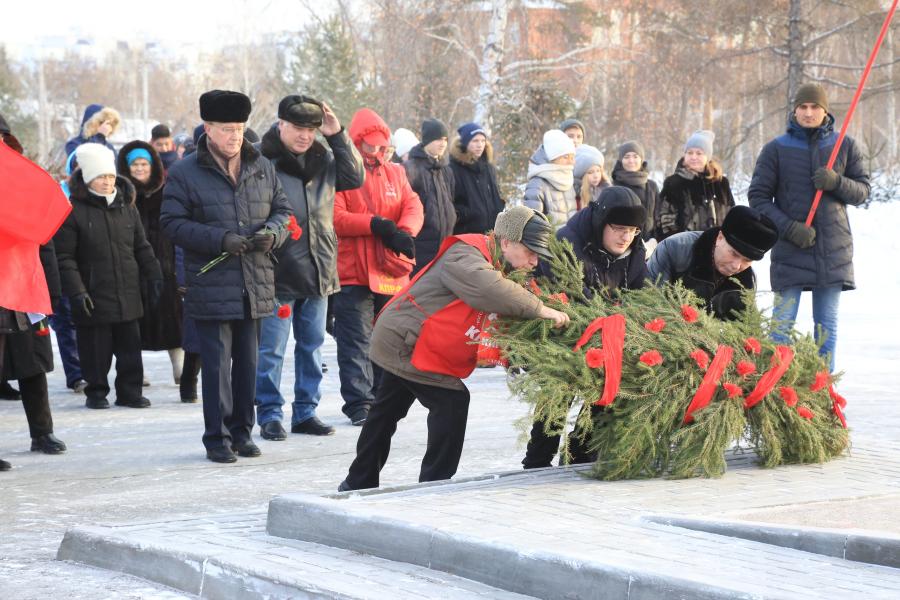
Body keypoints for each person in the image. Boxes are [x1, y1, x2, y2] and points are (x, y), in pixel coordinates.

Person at [339, 205, 570, 491]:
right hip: (406, 340)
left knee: (386, 411)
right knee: (450, 402)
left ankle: (358, 481)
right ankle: (435, 485)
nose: (535, 261)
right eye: (531, 251)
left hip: (407, 336)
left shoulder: (496, 261)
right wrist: (540, 309)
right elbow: (489, 290)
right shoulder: (466, 254)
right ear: (507, 241)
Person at [160, 90, 292, 463]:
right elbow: (171, 223)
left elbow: (282, 209)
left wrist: (274, 233)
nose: (235, 136)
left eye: (240, 128)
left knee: (248, 363)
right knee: (216, 365)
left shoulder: (261, 165)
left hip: (255, 279)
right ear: (208, 129)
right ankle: (216, 438)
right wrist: (220, 239)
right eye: (227, 129)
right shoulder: (186, 171)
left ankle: (242, 432)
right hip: (212, 280)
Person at [254, 94, 364, 441]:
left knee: (312, 345)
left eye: (311, 129)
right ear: (281, 124)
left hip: (319, 268)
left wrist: (336, 134)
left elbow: (355, 176)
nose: (305, 135)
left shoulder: (325, 158)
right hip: (278, 270)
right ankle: (270, 413)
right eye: (299, 127)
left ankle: (306, 411)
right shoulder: (261, 160)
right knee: (271, 350)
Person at [748, 83, 870, 372]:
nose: (808, 112)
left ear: (825, 110)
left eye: (815, 107)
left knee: (826, 329)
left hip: (833, 250)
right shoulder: (776, 149)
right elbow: (759, 197)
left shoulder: (844, 145)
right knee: (780, 329)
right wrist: (789, 228)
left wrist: (836, 182)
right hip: (790, 249)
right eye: (803, 107)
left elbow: (863, 191)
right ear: (794, 110)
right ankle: (772, 393)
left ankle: (823, 395)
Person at [523, 187, 647, 469]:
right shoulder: (568, 242)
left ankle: (581, 452)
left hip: (609, 336)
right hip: (563, 333)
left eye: (632, 230)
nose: (625, 236)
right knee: (559, 388)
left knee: (614, 380)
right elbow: (571, 293)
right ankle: (537, 461)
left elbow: (643, 294)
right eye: (618, 228)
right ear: (601, 222)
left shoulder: (635, 253)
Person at [54, 143, 163, 410]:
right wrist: (78, 291)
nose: (107, 182)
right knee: (96, 349)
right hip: (93, 293)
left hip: (127, 289)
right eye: (101, 177)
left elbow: (141, 246)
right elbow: (64, 257)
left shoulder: (127, 206)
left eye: (111, 176)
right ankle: (97, 391)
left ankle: (129, 391)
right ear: (89, 178)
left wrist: (154, 274)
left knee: (130, 348)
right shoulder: (73, 210)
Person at [333, 108, 424, 426]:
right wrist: (377, 225)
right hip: (353, 270)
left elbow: (413, 204)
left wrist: (405, 231)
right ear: (357, 144)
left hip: (390, 269)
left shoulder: (396, 173)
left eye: (381, 146)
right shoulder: (342, 171)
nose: (376, 152)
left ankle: (384, 396)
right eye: (369, 145)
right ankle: (359, 402)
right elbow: (336, 218)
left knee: (390, 337)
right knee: (356, 339)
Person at [0, 116, 68, 462]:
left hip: (24, 284)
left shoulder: (22, 175)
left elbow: (45, 239)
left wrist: (52, 289)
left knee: (32, 365)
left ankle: (42, 432)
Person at [117, 140, 184, 385]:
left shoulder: (167, 191)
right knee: (134, 324)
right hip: (131, 268)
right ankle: (138, 370)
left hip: (164, 266)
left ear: (153, 165)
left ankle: (179, 367)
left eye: (144, 163)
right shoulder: (121, 194)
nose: (140, 168)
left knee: (173, 319)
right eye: (135, 164)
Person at [647, 205, 778, 321]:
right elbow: (648, 299)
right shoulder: (675, 249)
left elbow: (744, 328)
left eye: (747, 260)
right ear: (720, 238)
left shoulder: (748, 280)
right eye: (734, 254)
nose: (736, 266)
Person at [49, 150, 88, 393]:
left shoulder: (93, 194)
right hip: (60, 262)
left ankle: (92, 370)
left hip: (86, 264)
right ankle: (76, 375)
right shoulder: (57, 192)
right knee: (65, 322)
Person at [657, 130, 734, 240]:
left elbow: (731, 215)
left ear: (707, 156)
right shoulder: (674, 183)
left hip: (718, 247)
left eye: (699, 153)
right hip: (684, 247)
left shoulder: (721, 183)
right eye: (689, 152)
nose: (693, 157)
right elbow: (664, 220)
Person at [404, 118, 456, 273]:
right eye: (438, 139)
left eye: (445, 139)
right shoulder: (410, 169)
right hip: (419, 248)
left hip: (444, 246)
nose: (443, 143)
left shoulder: (446, 170)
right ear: (427, 140)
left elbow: (450, 200)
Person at [449, 122, 504, 235]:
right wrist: (469, 214)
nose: (480, 145)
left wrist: (500, 206)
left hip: (493, 233)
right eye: (475, 141)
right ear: (465, 143)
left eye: (483, 141)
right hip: (466, 235)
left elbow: (497, 196)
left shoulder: (489, 168)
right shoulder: (453, 169)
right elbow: (449, 204)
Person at [522, 129, 577, 228]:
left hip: (571, 242)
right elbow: (533, 226)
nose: (571, 162)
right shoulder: (537, 184)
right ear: (552, 157)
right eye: (565, 157)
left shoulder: (567, 178)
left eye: (572, 157)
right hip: (550, 242)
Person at [611, 140, 660, 242]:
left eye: (635, 156)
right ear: (621, 160)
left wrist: (654, 240)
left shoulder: (652, 186)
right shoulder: (614, 186)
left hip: (649, 243)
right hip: (623, 242)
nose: (631, 160)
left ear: (641, 159)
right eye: (627, 157)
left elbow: (658, 216)